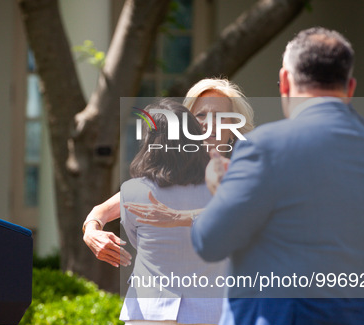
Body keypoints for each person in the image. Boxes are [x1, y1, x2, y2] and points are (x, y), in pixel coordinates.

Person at [187, 28, 364, 325]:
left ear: (286, 81)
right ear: (349, 87)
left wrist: (218, 187)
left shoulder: (265, 147)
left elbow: (210, 241)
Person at [117, 98, 228, 325]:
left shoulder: (132, 192)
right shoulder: (222, 191)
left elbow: (136, 238)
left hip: (147, 321)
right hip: (210, 322)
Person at [82, 78, 254, 267]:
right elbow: (100, 211)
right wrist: (92, 231)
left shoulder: (246, 175)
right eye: (201, 115)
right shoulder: (167, 175)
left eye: (220, 116)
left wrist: (178, 217)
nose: (209, 123)